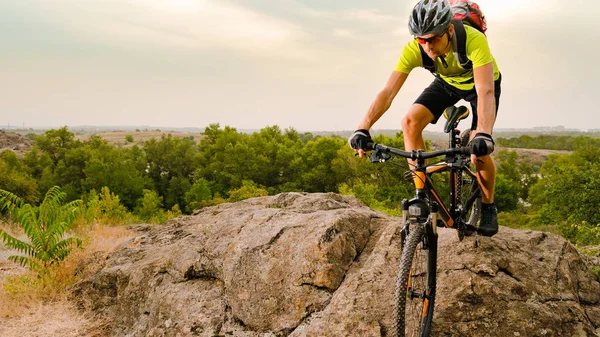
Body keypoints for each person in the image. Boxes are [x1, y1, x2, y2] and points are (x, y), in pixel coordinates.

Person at [348, 0, 501, 237]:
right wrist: (363, 128)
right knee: (409, 121)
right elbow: (387, 93)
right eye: (421, 39)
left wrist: (483, 133)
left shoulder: (472, 39)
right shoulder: (415, 48)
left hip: (479, 84)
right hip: (447, 83)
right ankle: (423, 195)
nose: (427, 46)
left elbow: (485, 92)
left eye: (433, 39)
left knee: (478, 151)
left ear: (449, 30)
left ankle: (488, 204)